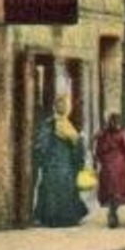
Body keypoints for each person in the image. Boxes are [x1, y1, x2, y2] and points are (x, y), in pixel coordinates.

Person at [31, 93, 88, 228]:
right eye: (64, 105)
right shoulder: (61, 124)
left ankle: (49, 217)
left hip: (53, 163)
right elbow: (75, 142)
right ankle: (61, 218)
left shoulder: (52, 123)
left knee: (51, 189)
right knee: (63, 189)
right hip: (62, 162)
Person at [93, 112, 125, 229]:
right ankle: (113, 213)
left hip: (107, 166)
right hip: (119, 166)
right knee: (117, 190)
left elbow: (98, 151)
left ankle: (112, 212)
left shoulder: (103, 135)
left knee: (110, 191)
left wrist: (99, 160)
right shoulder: (122, 135)